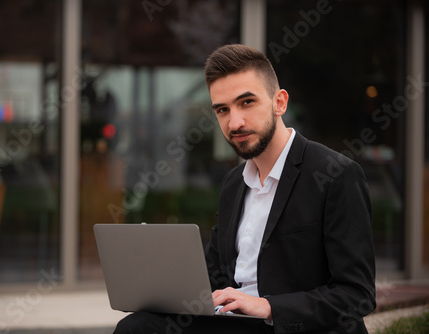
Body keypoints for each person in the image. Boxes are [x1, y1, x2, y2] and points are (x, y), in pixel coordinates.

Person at [113, 44, 376, 334]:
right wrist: (162, 287)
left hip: (293, 326)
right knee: (137, 327)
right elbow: (214, 275)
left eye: (246, 102)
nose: (234, 122)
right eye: (222, 110)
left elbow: (357, 296)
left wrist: (268, 306)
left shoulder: (337, 175)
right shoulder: (234, 183)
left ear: (280, 103)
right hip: (234, 321)